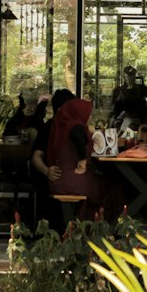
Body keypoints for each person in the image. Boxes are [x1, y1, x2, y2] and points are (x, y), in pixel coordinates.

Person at [46, 95, 109, 220]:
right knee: (108, 187)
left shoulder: (61, 126)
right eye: (87, 113)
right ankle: (102, 227)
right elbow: (79, 139)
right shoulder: (76, 126)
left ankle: (81, 224)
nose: (89, 117)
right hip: (72, 180)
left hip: (57, 181)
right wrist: (83, 160)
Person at [30, 88, 74, 233]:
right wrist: (47, 171)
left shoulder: (73, 128)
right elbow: (36, 156)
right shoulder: (49, 127)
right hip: (50, 180)